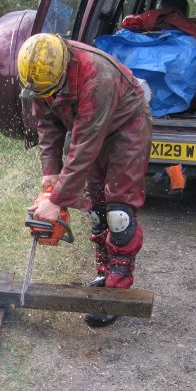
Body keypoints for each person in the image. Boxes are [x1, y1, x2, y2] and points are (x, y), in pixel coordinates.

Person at [19, 33, 152, 327]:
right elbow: (47, 122)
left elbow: (84, 147)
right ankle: (104, 273)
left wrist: (57, 201)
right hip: (92, 131)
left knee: (119, 215)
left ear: (65, 68)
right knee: (98, 211)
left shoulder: (97, 78)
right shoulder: (39, 72)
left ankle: (116, 294)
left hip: (127, 128)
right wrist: (50, 170)